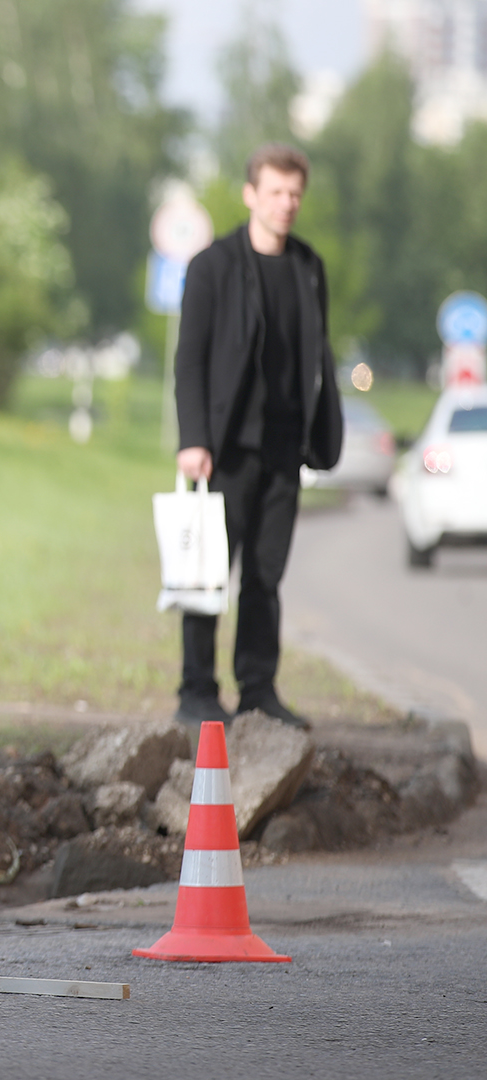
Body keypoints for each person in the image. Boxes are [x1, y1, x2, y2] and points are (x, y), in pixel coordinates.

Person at [173, 143, 343, 730]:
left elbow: (316, 356)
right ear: (251, 194)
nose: (286, 203)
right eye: (275, 191)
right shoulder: (212, 266)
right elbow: (189, 360)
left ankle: (257, 690)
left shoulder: (308, 267)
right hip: (223, 450)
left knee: (266, 578)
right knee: (207, 575)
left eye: (295, 193)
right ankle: (195, 691)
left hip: (283, 451)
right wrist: (192, 438)